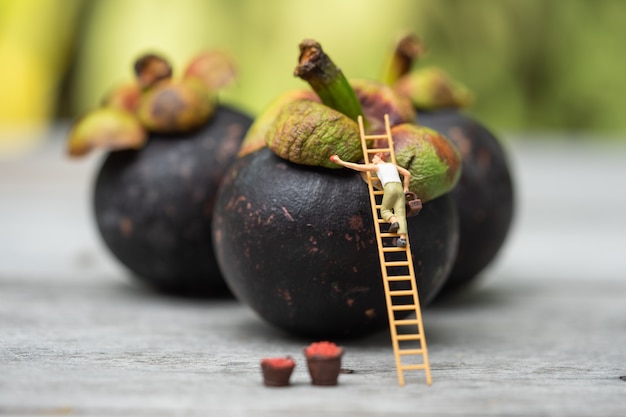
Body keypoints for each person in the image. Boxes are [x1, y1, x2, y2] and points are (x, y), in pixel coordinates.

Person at [330, 153, 411, 247]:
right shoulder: (392, 165)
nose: (372, 161)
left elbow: (358, 167)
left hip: (390, 187)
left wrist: (340, 162)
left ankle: (394, 221)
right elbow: (407, 174)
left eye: (374, 159)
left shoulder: (377, 167)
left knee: (385, 211)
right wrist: (406, 188)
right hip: (399, 189)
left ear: (379, 158)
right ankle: (402, 239)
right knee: (400, 213)